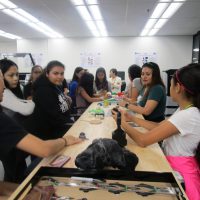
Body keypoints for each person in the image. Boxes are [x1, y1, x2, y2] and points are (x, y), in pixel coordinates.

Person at [113, 63, 200, 200]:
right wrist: (132, 118)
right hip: (173, 162)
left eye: (171, 84)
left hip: (179, 173)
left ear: (178, 88)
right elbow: (159, 126)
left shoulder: (188, 115)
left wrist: (122, 123)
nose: (169, 87)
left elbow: (143, 140)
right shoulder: (184, 110)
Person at [0, 69, 82, 185]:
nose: (3, 85)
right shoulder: (3, 120)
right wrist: (65, 140)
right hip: (24, 149)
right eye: (1, 78)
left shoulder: (55, 90)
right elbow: (44, 149)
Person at [24, 60, 73, 140]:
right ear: (47, 74)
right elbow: (54, 118)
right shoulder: (43, 90)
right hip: (50, 135)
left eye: (62, 73)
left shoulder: (55, 85)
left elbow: (61, 107)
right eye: (55, 73)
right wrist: (72, 123)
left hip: (61, 128)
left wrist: (67, 100)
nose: (60, 76)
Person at [0, 59, 35, 124]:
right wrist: (36, 99)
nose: (16, 78)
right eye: (11, 75)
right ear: (1, 76)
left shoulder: (19, 87)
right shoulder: (3, 93)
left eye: (17, 74)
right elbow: (27, 110)